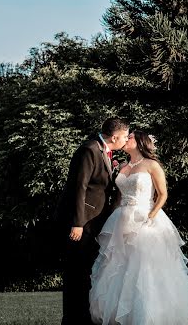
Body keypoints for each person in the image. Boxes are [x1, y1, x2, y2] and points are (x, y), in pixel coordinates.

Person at [89, 130, 188, 325]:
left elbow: (162, 195)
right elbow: (118, 198)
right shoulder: (123, 167)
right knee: (119, 267)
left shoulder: (152, 165)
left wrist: (150, 216)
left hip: (146, 220)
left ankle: (151, 315)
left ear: (141, 142)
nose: (127, 139)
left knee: (145, 269)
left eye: (131, 136)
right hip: (122, 221)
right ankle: (121, 315)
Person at [55, 116, 129, 325]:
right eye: (124, 136)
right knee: (75, 272)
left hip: (94, 223)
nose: (125, 140)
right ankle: (71, 319)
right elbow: (78, 187)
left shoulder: (104, 150)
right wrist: (77, 223)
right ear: (115, 136)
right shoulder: (89, 149)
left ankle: (83, 317)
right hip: (81, 222)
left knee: (86, 271)